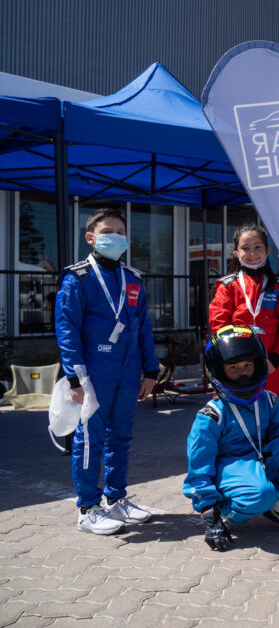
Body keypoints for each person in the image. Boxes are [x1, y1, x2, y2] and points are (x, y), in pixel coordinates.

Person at [55, 208, 159, 535]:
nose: (115, 236)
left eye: (120, 232)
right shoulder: (78, 277)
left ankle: (115, 498)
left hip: (128, 373)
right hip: (93, 372)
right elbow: (66, 328)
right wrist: (74, 376)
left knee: (122, 436)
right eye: (108, 231)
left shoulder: (133, 279)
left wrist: (151, 370)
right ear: (91, 237)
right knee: (90, 440)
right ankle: (87, 507)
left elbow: (143, 328)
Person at [184, 325, 279, 551]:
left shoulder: (268, 400)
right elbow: (199, 467)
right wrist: (209, 513)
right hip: (229, 469)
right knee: (262, 493)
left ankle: (278, 506)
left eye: (247, 365)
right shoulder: (211, 416)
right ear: (219, 370)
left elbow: (272, 434)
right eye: (233, 368)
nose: (243, 373)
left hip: (258, 460)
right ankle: (230, 510)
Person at [209, 224, 279, 394]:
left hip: (269, 364)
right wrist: (232, 359)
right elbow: (218, 324)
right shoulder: (228, 286)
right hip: (234, 365)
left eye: (258, 247)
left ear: (268, 250)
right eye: (245, 248)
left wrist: (277, 358)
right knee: (233, 413)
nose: (252, 253)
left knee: (266, 412)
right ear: (236, 253)